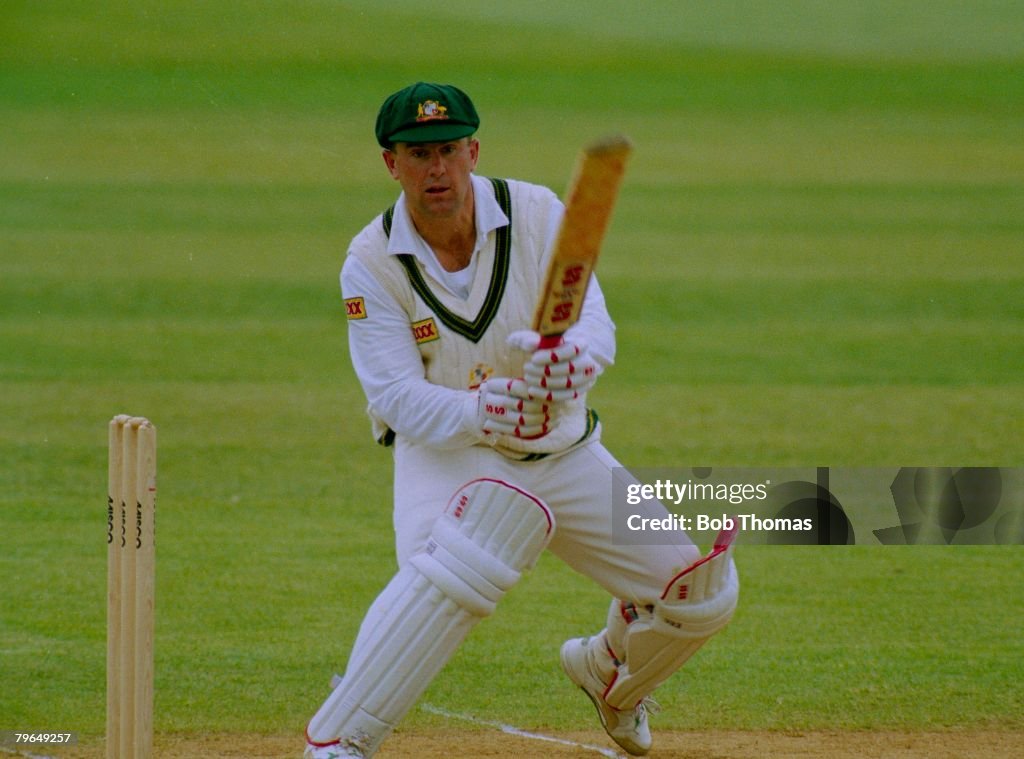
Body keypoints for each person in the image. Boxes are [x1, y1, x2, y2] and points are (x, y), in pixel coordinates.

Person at [304, 82, 739, 758]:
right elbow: (393, 393)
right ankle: (339, 742)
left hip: (561, 450)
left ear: (473, 150)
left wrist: (576, 361)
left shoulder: (537, 213)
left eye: (448, 149)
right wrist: (479, 408)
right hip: (450, 455)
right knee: (452, 572)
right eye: (418, 154)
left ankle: (608, 675)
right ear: (392, 163)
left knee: (702, 594)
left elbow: (593, 319)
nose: (437, 168)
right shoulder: (370, 262)